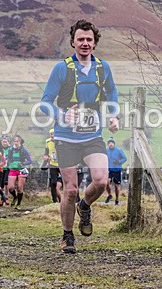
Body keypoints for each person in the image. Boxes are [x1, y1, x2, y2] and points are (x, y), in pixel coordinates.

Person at [40, 19, 119, 253]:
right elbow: (45, 103)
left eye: (89, 40)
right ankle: (67, 236)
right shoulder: (62, 68)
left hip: (92, 136)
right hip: (66, 138)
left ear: (95, 44)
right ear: (73, 42)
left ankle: (84, 207)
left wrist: (113, 116)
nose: (85, 43)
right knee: (70, 189)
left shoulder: (103, 68)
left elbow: (112, 94)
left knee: (102, 181)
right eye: (80, 39)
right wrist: (62, 115)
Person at [6, 135, 33, 208]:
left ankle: (18, 204)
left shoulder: (24, 150)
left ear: (20, 141)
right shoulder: (11, 150)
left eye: (17, 141)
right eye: (14, 141)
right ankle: (15, 197)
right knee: (10, 187)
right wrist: (8, 163)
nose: (15, 142)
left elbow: (30, 161)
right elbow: (8, 158)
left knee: (19, 187)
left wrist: (23, 163)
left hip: (21, 170)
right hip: (13, 169)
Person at [104, 137, 127, 205]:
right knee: (107, 183)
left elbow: (124, 158)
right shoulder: (106, 150)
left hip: (117, 170)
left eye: (112, 143)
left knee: (117, 186)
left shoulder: (118, 150)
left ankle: (117, 200)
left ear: (114, 144)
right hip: (109, 170)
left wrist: (118, 162)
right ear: (108, 144)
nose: (111, 144)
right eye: (109, 143)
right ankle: (110, 195)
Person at [43, 128, 62, 203]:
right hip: (52, 164)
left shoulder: (61, 141)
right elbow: (46, 152)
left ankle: (70, 198)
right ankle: (54, 200)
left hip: (62, 164)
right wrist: (45, 156)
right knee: (53, 182)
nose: (53, 135)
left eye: (54, 134)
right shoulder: (47, 141)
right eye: (51, 134)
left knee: (67, 181)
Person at [0, 135, 12, 206]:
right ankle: (2, 198)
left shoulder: (10, 149)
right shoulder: (0, 149)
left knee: (6, 183)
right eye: (3, 142)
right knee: (1, 185)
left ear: (8, 142)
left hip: (8, 168)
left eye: (6, 142)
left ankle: (6, 198)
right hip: (1, 168)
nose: (4, 143)